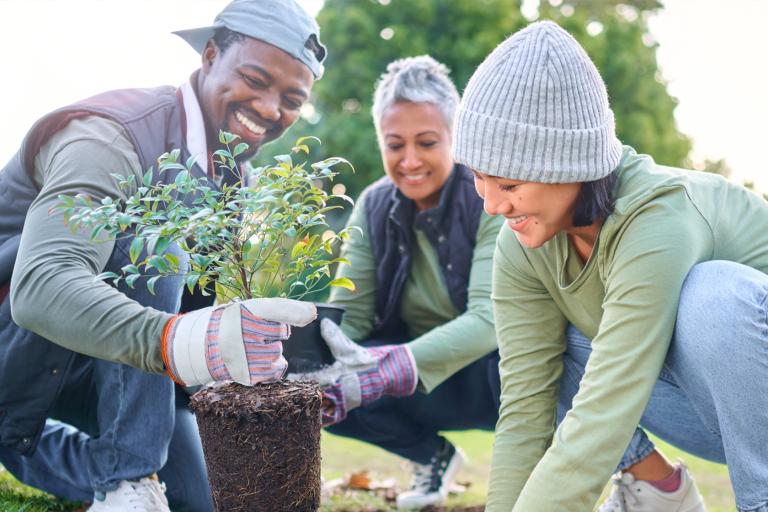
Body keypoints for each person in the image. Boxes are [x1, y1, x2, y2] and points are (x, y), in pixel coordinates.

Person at [0, 0, 324, 510]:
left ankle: (89, 467)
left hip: (106, 367)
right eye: (255, 80)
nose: (269, 108)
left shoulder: (232, 180)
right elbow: (41, 286)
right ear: (210, 54)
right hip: (18, 348)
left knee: (204, 499)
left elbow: (191, 315)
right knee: (159, 245)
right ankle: (126, 478)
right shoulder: (109, 134)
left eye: (291, 98)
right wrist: (174, 340)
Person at [452, 20, 768, 512]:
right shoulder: (524, 240)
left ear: (568, 165)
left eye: (509, 186)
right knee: (537, 354)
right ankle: (660, 495)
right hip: (704, 410)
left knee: (713, 298)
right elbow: (526, 411)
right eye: (479, 178)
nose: (492, 205)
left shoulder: (659, 215)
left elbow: (608, 402)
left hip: (752, 396)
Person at [313, 56, 505, 509]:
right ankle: (430, 455)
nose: (411, 160)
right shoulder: (374, 205)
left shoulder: (490, 196)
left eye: (427, 142)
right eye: (395, 144)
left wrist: (390, 367)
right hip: (417, 381)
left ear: (455, 137)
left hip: (494, 373)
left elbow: (489, 319)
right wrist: (303, 367)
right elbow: (349, 317)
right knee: (320, 385)